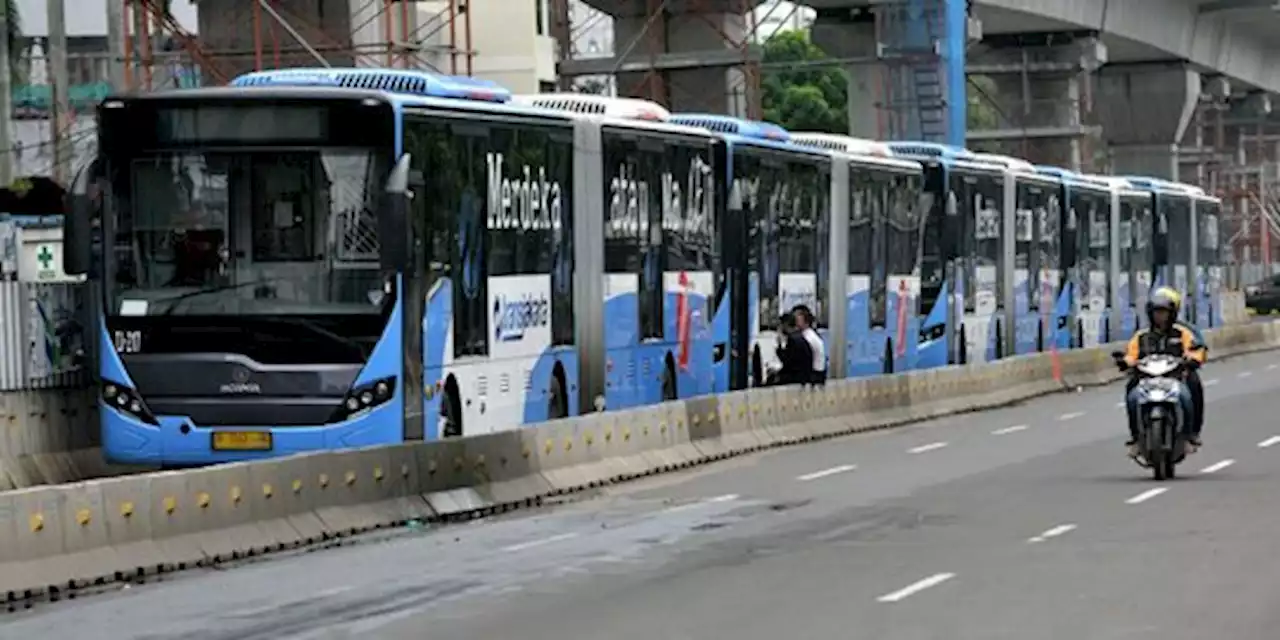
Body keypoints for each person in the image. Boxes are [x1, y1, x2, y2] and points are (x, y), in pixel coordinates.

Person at [1120, 286, 1207, 456]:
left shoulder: (1183, 333)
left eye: (1164, 312)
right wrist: (1125, 362)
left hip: (1175, 379)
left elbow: (1196, 350)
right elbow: (1131, 354)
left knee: (1192, 388)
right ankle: (1136, 438)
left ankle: (1191, 434)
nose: (1160, 316)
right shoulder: (1142, 336)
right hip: (1147, 379)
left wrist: (1193, 359)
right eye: (1157, 312)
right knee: (1131, 394)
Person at [771, 312, 813, 386]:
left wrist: (779, 347)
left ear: (785, 325)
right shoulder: (799, 336)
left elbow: (787, 361)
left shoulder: (793, 339)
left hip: (796, 378)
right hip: (803, 375)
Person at [791, 304, 828, 386]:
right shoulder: (813, 334)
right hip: (818, 374)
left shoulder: (807, 337)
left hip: (813, 376)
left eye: (797, 319)